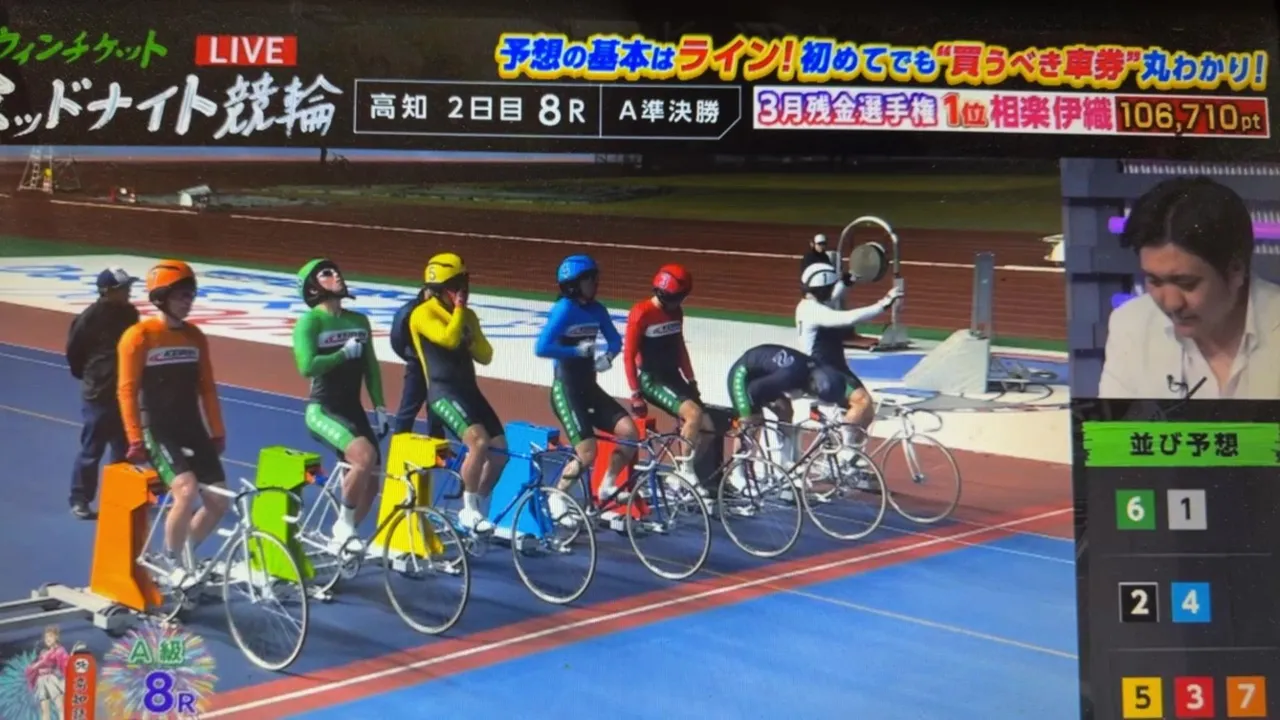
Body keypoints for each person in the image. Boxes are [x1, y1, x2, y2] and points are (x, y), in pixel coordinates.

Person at [1099, 176, 1280, 399]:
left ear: (1235, 270)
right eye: (1154, 281)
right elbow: (1114, 422)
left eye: (1187, 283)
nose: (1171, 303)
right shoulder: (1131, 325)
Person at [117, 260, 228, 579]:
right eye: (181, 295)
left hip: (192, 428)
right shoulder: (138, 336)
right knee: (185, 490)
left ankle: (184, 554)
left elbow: (207, 388)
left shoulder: (195, 336)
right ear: (160, 297)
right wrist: (134, 437)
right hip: (158, 429)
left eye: (191, 295)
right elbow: (126, 391)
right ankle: (169, 562)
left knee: (219, 501)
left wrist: (217, 431)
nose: (188, 301)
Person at [292, 258, 391, 547]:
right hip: (323, 409)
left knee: (372, 483)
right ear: (313, 287)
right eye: (327, 273)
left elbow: (371, 367)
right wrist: (341, 354)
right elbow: (306, 366)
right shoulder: (309, 322)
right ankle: (343, 526)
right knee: (364, 457)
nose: (337, 275)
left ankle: (345, 541)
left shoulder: (359, 321)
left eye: (336, 270)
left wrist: (380, 407)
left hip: (353, 409)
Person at [408, 252, 507, 533]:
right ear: (441, 289)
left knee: (500, 451)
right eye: (456, 287)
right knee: (478, 441)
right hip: (443, 393)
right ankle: (468, 509)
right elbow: (449, 339)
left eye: (464, 285)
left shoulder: (468, 316)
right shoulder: (423, 314)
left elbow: (485, 355)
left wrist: (471, 336)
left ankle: (478, 504)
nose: (463, 292)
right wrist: (460, 314)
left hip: (469, 391)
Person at [535, 254, 637, 520]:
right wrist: (575, 351)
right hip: (566, 390)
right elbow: (542, 347)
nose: (596, 284)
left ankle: (607, 486)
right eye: (590, 279)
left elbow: (615, 341)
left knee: (630, 433)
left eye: (595, 278)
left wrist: (608, 357)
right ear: (574, 284)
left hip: (589, 387)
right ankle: (557, 495)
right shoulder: (564, 309)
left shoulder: (597, 310)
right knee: (587, 452)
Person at [796, 261, 904, 445]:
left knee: (867, 412)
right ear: (823, 289)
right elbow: (848, 318)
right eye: (830, 287)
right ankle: (846, 453)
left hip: (835, 368)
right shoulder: (813, 310)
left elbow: (832, 296)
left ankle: (851, 452)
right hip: (824, 371)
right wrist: (883, 303)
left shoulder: (810, 304)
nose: (832, 291)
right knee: (863, 402)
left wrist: (846, 283)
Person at [623, 263, 712, 480]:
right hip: (653, 380)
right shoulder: (641, 313)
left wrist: (691, 380)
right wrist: (635, 394)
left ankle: (681, 474)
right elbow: (628, 356)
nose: (681, 302)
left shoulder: (676, 312)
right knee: (694, 414)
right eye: (679, 297)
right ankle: (685, 473)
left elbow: (680, 348)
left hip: (673, 377)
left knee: (709, 428)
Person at [65, 267, 140, 519]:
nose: (128, 291)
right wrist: (94, 376)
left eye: (128, 287)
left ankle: (118, 499)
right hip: (98, 393)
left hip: (124, 393)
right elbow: (74, 352)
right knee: (92, 449)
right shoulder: (89, 318)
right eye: (123, 288)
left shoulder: (131, 314)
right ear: (107, 291)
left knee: (124, 449)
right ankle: (80, 499)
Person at [725, 343, 849, 467]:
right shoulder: (789, 376)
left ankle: (785, 462)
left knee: (786, 411)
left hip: (765, 376)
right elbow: (754, 390)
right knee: (751, 424)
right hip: (743, 376)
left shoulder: (816, 369)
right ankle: (739, 471)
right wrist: (758, 413)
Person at [388, 286, 446, 438]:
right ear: (426, 289)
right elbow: (397, 338)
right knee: (409, 407)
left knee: (436, 409)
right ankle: (399, 442)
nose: (436, 295)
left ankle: (437, 443)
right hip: (417, 366)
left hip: (437, 366)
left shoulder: (441, 309)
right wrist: (412, 356)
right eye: (433, 291)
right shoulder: (409, 311)